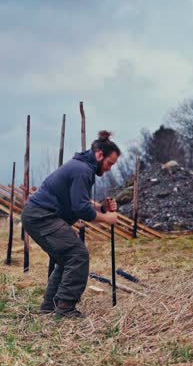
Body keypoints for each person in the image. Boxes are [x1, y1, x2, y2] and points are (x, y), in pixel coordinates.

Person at [21, 130, 121, 318]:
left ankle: (49, 306)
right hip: (42, 216)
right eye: (109, 163)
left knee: (67, 258)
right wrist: (108, 218)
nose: (109, 169)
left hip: (39, 214)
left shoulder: (81, 167)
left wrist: (102, 207)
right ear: (100, 155)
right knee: (77, 255)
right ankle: (65, 307)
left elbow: (77, 200)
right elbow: (81, 208)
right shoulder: (82, 170)